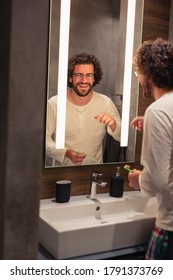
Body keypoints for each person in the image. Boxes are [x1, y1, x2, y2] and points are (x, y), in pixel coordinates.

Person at [128, 38, 173, 260]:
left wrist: (139, 179)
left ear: (148, 73)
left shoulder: (159, 110)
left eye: (138, 75)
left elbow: (155, 181)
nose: (139, 80)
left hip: (170, 228)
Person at [46, 52, 121, 166]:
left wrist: (113, 124)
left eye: (89, 75)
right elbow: (43, 140)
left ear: (94, 78)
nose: (84, 80)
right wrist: (66, 153)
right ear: (70, 78)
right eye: (79, 75)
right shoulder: (54, 103)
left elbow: (123, 137)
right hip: (61, 173)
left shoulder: (105, 103)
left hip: (94, 173)